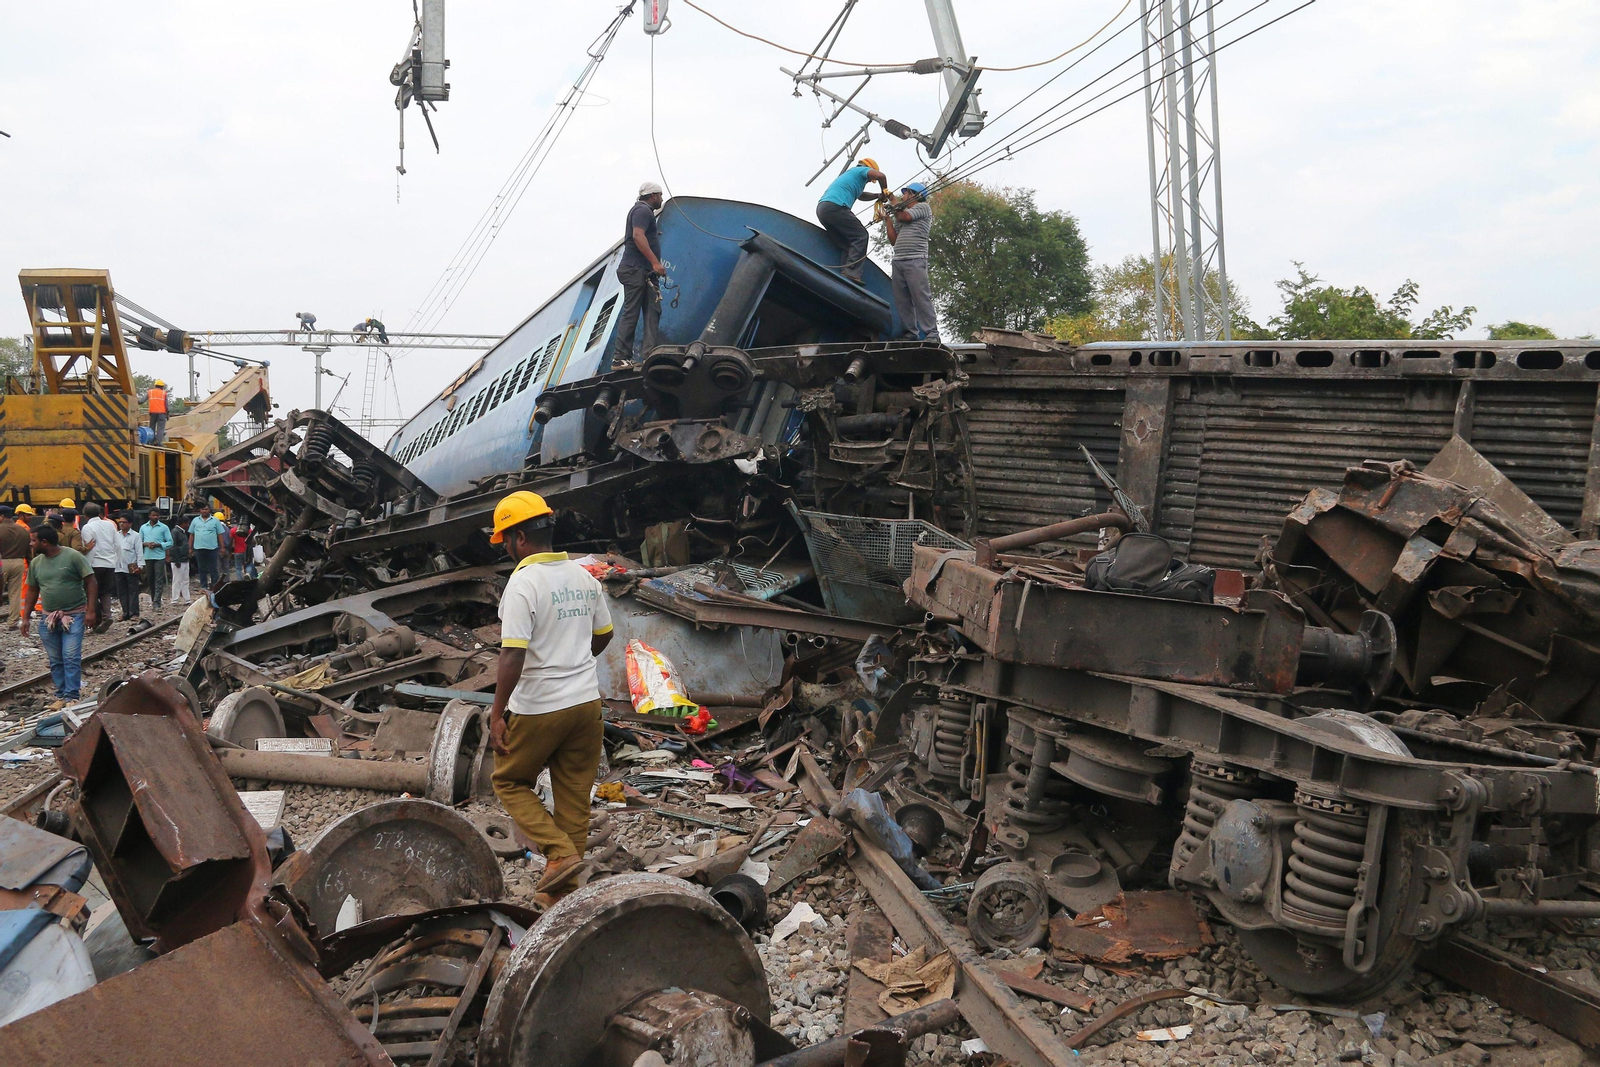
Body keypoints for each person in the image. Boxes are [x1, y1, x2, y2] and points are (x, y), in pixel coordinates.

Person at [486, 491, 615, 906]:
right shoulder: (583, 577)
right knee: (574, 797)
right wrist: (575, 665)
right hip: (585, 705)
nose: (505, 547)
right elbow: (605, 635)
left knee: (508, 780)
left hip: (540, 707)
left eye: (505, 539)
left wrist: (497, 713)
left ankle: (559, 855)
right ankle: (559, 899)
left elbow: (512, 653)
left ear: (521, 537)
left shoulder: (523, 583)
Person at [20, 524, 98, 702]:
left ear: (44, 542)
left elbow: (91, 582)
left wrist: (91, 611)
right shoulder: (37, 563)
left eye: (34, 540)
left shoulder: (73, 557)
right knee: (55, 659)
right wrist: (25, 618)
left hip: (75, 615)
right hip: (48, 618)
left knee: (70, 656)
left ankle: (71, 695)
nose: (31, 544)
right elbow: (32, 590)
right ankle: (62, 693)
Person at [611, 182, 666, 365]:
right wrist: (655, 262)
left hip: (645, 272)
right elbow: (637, 236)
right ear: (653, 196)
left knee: (653, 310)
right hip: (635, 269)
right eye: (660, 195)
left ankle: (649, 355)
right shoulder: (642, 211)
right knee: (631, 312)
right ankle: (620, 358)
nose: (661, 198)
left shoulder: (645, 212)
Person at [883, 182, 942, 344]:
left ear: (914, 195)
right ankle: (910, 333)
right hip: (899, 260)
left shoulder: (923, 208)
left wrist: (891, 198)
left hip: (915, 258)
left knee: (920, 296)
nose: (902, 197)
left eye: (905, 194)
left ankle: (932, 333)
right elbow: (893, 240)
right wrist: (887, 218)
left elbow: (903, 216)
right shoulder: (903, 214)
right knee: (902, 300)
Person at [816, 157, 889, 284]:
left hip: (823, 209)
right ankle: (851, 272)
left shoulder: (851, 176)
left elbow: (861, 195)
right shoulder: (861, 171)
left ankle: (844, 275)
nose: (868, 182)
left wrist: (877, 196)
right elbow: (881, 176)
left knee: (848, 245)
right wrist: (885, 192)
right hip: (836, 206)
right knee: (861, 236)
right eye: (869, 180)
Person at [79, 503, 120, 633]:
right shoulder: (110, 525)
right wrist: (116, 560)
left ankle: (96, 621)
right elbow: (117, 544)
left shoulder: (87, 527)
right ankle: (107, 616)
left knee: (92, 593)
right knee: (106, 592)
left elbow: (90, 548)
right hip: (110, 563)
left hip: (95, 564)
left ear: (85, 515)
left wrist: (86, 567)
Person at [0, 505, 29, 631]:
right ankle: (12, 622)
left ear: (1, 516)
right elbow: (29, 550)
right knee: (15, 594)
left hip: (2, 562)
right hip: (19, 562)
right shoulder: (22, 530)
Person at [139, 508, 172, 610]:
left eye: (157, 515)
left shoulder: (164, 528)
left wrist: (158, 545)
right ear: (149, 516)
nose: (155, 517)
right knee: (150, 579)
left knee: (159, 580)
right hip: (147, 557)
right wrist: (146, 544)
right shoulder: (143, 528)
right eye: (153, 515)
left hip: (159, 557)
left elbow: (170, 542)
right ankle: (154, 598)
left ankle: (157, 602)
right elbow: (138, 542)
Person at [114, 515, 142, 620]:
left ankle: (134, 613)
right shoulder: (116, 535)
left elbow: (139, 551)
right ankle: (125, 612)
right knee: (121, 591)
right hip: (118, 567)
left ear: (130, 524)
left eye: (124, 522)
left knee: (133, 590)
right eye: (120, 522)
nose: (121, 524)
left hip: (131, 566)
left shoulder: (135, 536)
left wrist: (140, 566)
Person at [189, 510, 226, 589]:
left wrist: (222, 547)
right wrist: (190, 548)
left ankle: (215, 586)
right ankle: (204, 586)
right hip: (199, 548)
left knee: (213, 568)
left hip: (212, 548)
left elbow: (220, 534)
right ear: (200, 510)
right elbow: (191, 535)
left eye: (206, 509)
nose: (204, 511)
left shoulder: (215, 521)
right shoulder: (195, 521)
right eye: (202, 509)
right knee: (202, 568)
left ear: (209, 510)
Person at [168, 513, 192, 604]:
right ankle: (175, 599)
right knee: (177, 580)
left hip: (184, 559)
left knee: (185, 579)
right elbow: (173, 547)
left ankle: (187, 598)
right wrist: (177, 560)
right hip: (179, 560)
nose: (188, 525)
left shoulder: (180, 532)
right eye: (187, 523)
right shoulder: (175, 532)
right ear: (184, 523)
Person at [147, 379, 169, 444]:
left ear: (155, 385)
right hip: (162, 414)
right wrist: (167, 414)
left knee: (151, 428)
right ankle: (159, 443)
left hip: (152, 413)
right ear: (162, 387)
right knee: (160, 428)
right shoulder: (164, 393)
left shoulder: (150, 392)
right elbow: (167, 405)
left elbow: (141, 401)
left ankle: (151, 442)